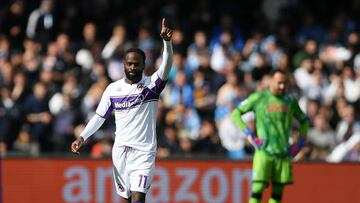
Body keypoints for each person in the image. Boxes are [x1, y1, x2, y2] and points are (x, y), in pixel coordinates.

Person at [71, 18, 173, 203]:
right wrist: (82, 137)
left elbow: (166, 67)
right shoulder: (112, 89)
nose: (133, 67)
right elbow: (100, 117)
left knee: (138, 198)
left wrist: (167, 43)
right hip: (120, 151)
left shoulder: (152, 85)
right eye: (129, 64)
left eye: (137, 64)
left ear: (143, 65)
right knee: (125, 199)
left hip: (144, 152)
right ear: (124, 65)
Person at [231, 70, 309, 203]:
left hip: (283, 154)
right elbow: (236, 114)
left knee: (277, 194)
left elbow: (304, 121)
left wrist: (300, 143)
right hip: (264, 152)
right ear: (270, 81)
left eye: (285, 83)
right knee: (257, 190)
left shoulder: (290, 101)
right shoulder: (259, 98)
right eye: (279, 83)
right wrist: (249, 133)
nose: (282, 87)